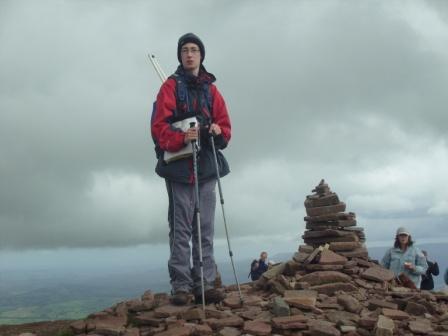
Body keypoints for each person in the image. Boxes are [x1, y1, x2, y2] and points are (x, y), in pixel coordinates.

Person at [151, 33, 231, 305]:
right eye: (185, 50)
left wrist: (217, 131)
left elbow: (226, 130)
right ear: (180, 55)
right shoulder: (170, 88)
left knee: (205, 227)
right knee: (181, 228)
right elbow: (158, 128)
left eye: (194, 50)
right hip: (180, 168)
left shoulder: (212, 91)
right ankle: (182, 286)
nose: (189, 54)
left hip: (206, 166)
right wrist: (181, 138)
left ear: (201, 55)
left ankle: (205, 283)